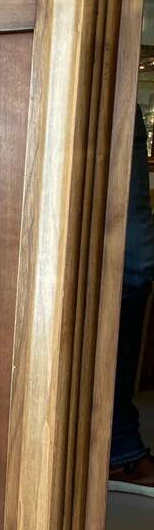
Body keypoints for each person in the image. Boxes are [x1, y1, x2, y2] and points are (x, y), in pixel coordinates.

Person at [108, 106, 154, 496]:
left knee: (135, 267)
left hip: (119, 87)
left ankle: (118, 444)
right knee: (134, 267)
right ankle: (119, 447)